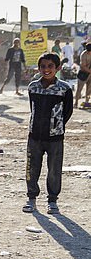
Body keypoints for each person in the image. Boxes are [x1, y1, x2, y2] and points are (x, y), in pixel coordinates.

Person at [22, 53, 73, 215]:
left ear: (57, 68)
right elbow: (33, 109)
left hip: (55, 138)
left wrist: (56, 125)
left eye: (50, 66)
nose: (46, 69)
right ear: (39, 68)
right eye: (43, 66)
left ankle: (52, 200)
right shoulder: (33, 87)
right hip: (34, 136)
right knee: (32, 168)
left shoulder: (64, 89)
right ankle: (31, 198)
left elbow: (67, 112)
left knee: (54, 170)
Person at [75, 42, 91, 108]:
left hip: (90, 75)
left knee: (89, 89)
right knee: (79, 89)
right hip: (83, 74)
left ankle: (87, 102)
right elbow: (83, 66)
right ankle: (76, 103)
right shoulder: (83, 55)